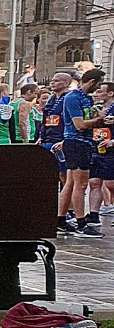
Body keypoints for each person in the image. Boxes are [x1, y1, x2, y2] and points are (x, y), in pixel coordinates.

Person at [57, 70, 105, 236]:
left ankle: (61, 220)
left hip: (82, 142)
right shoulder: (73, 98)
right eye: (98, 85)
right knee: (81, 184)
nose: (99, 89)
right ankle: (81, 223)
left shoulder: (87, 98)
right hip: (77, 143)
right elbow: (79, 124)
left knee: (70, 183)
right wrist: (98, 120)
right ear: (92, 81)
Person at [82, 80, 114, 237]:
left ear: (110, 93)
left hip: (110, 150)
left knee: (111, 183)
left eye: (100, 91)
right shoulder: (96, 109)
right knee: (94, 182)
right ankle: (94, 214)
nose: (97, 93)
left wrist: (112, 141)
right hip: (96, 148)